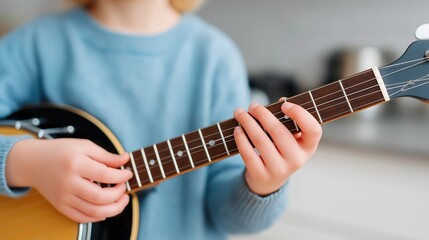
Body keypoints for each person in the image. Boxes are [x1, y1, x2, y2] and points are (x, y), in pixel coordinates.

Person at [0, 0, 322, 239]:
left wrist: (263, 187)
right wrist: (24, 162)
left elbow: (231, 219)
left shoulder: (215, 59)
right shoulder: (36, 44)